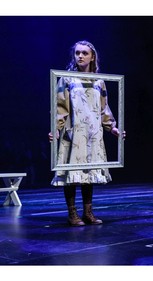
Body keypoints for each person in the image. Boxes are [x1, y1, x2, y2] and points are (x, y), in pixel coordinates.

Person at [49, 40, 126, 226]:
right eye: (77, 53)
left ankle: (88, 212)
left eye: (84, 53)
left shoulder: (99, 81)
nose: (80, 56)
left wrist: (112, 127)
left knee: (88, 173)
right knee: (71, 174)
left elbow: (103, 108)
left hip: (93, 133)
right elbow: (60, 107)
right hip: (74, 133)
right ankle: (72, 213)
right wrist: (56, 129)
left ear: (92, 57)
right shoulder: (67, 78)